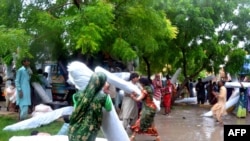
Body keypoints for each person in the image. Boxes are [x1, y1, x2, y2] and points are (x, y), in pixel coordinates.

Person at [68, 72, 113, 141]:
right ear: (102, 83)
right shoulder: (103, 97)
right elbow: (109, 108)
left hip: (74, 127)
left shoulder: (78, 94)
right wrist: (106, 92)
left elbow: (76, 107)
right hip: (89, 130)